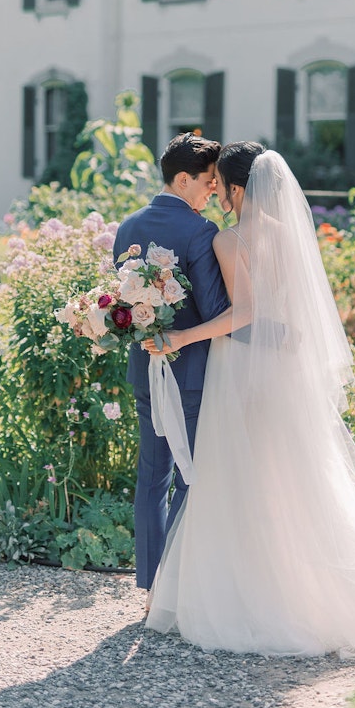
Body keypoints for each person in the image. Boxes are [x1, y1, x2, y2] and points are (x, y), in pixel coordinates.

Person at [143, 141, 355, 660]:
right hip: (284, 369)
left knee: (243, 474)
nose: (217, 194)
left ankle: (257, 590)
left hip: (242, 367)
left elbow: (244, 313)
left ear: (237, 188)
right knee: (287, 475)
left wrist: (184, 338)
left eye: (221, 186)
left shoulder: (231, 241)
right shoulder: (287, 235)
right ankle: (297, 581)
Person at [114, 132, 230, 596]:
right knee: (191, 475)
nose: (213, 193)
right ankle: (177, 588)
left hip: (145, 368)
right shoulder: (201, 232)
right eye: (208, 183)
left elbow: (121, 305)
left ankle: (150, 587)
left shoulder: (127, 227)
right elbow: (217, 306)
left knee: (152, 475)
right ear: (183, 179)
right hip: (192, 371)